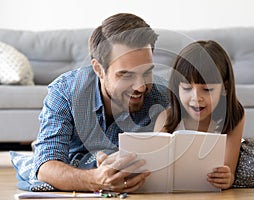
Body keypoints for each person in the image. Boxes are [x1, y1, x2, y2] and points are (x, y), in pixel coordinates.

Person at [31, 13, 169, 192]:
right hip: (75, 163)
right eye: (126, 75)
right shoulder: (65, 92)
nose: (141, 87)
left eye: (146, 72)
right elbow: (45, 167)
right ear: (99, 69)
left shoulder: (163, 97)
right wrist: (95, 179)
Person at [154, 40, 245, 189]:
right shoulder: (167, 118)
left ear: (225, 88)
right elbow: (157, 168)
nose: (196, 98)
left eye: (207, 89)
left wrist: (228, 177)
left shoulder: (234, 116)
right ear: (177, 88)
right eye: (187, 88)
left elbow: (229, 168)